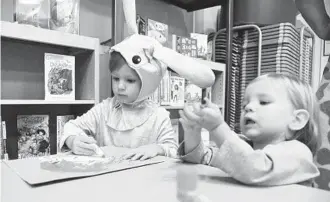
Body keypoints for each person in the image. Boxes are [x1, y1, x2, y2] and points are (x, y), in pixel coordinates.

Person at [58, 33, 215, 161]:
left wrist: (156, 148)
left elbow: (172, 149)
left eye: (130, 80)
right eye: (115, 78)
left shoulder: (158, 116)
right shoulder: (104, 109)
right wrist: (73, 141)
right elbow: (71, 127)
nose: (120, 86)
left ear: (148, 83)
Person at [178, 73, 320, 186]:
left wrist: (218, 128)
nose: (248, 107)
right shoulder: (243, 144)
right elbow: (200, 159)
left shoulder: (298, 153)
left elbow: (255, 169)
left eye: (263, 102)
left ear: (297, 120)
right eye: (244, 104)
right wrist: (192, 132)